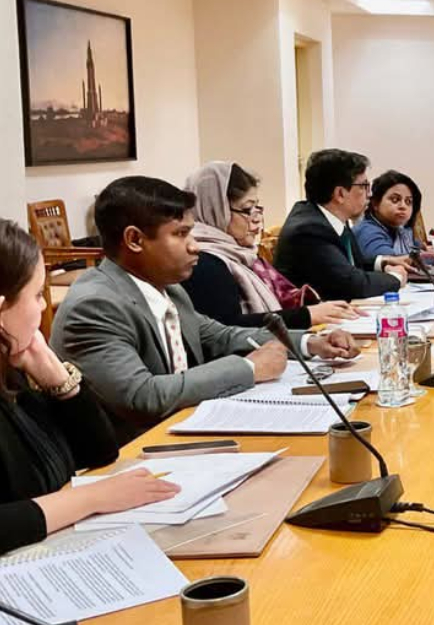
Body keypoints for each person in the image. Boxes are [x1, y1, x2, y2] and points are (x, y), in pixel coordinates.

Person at [51, 176, 361, 443]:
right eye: (180, 234)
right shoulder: (95, 306)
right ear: (134, 240)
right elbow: (142, 396)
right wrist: (250, 369)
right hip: (133, 455)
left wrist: (310, 343)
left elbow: (221, 336)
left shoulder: (168, 287)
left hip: (187, 433)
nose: (195, 245)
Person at [0, 219, 180, 554]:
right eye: (37, 295)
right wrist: (92, 498)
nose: (44, 306)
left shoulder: (14, 370)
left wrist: (57, 378)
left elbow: (100, 451)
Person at [181, 161, 362, 329]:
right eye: (247, 209)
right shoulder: (203, 262)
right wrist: (306, 316)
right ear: (215, 210)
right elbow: (227, 328)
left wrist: (322, 310)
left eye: (257, 208)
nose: (257, 219)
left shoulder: (242, 254)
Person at [274, 149, 408, 301]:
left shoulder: (331, 219)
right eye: (364, 186)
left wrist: (381, 263)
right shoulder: (309, 230)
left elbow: (343, 265)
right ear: (340, 194)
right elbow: (351, 285)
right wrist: (395, 278)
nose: (369, 194)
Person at [353, 170, 434, 266]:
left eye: (408, 201)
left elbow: (416, 246)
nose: (403, 206)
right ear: (375, 203)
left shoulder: (399, 230)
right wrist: (428, 258)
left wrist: (426, 250)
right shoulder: (367, 231)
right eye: (395, 199)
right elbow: (392, 260)